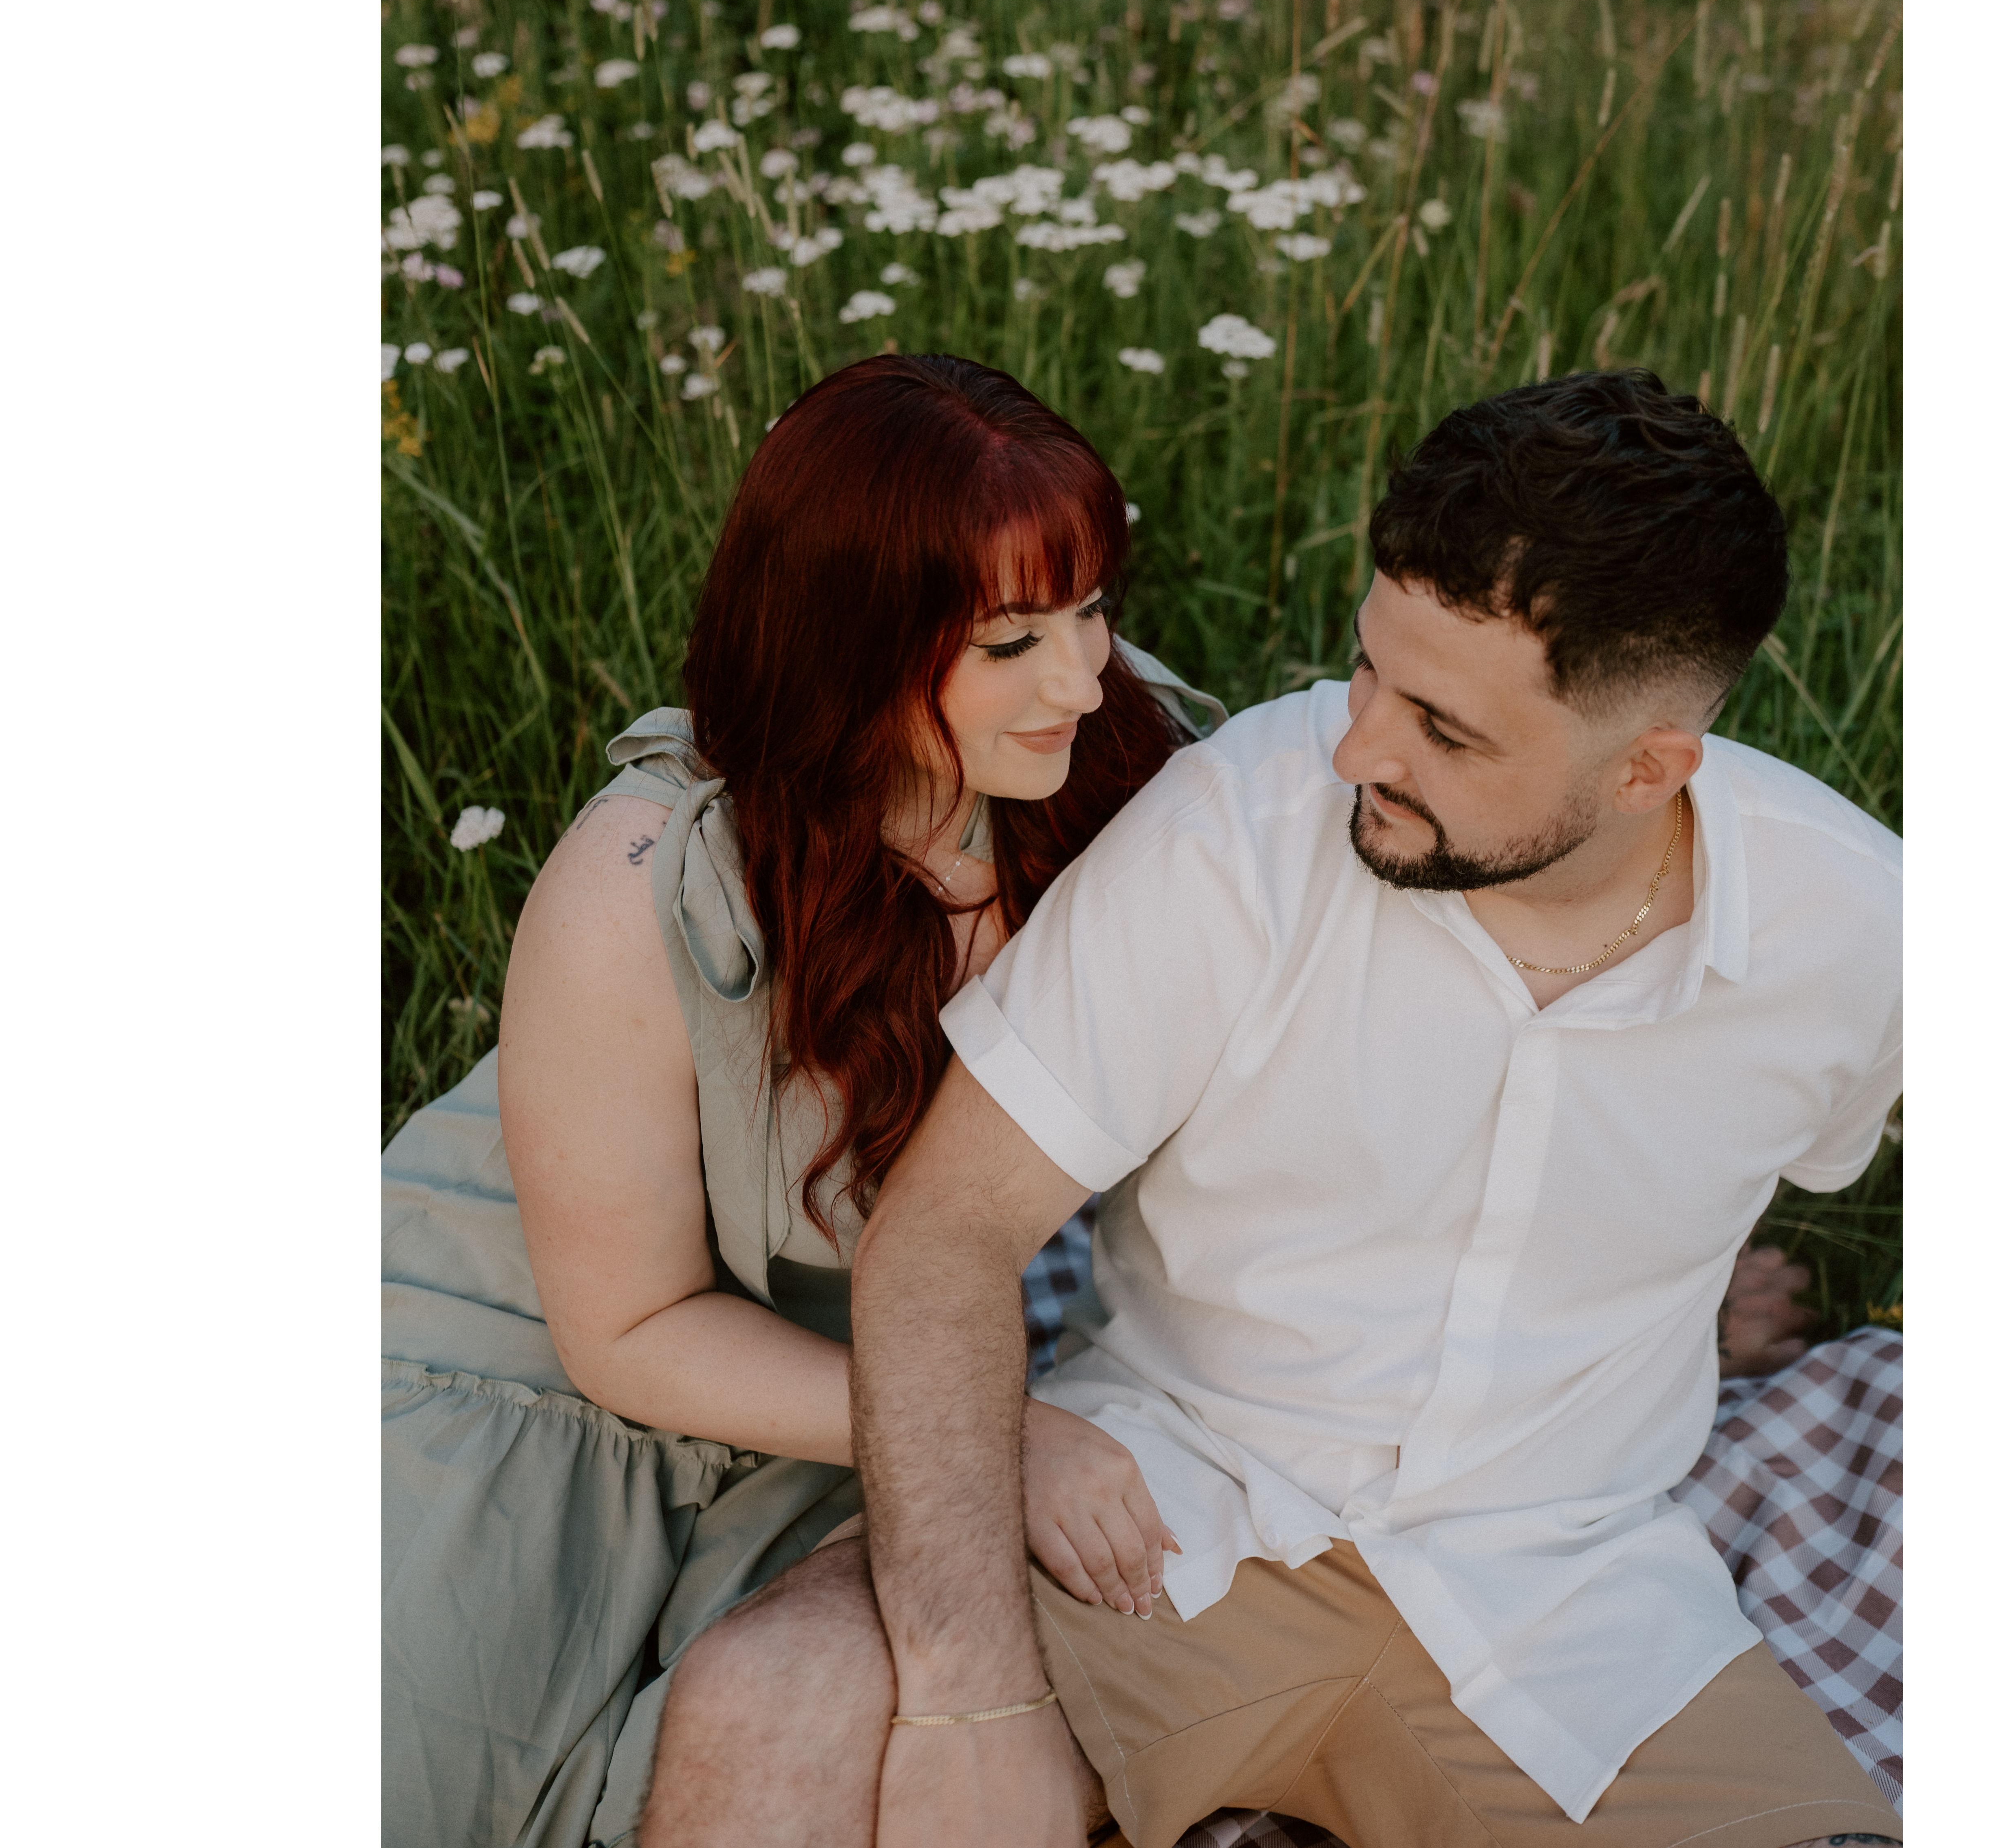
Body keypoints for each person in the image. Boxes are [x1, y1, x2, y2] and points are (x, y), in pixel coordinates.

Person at [643, 369, 1905, 1848]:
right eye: (1369, 669)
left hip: (1570, 1588)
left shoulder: (1853, 933)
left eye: (1444, 729)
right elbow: (947, 1233)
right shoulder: (1242, 822)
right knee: (767, 1703)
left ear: (1647, 769)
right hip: (1167, 1512)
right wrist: (972, 1704)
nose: (1359, 747)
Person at [380, 354, 1227, 1848]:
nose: (1083, 679)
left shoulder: (1124, 767)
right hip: (532, 1378)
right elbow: (628, 1327)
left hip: (860, 1382)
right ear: (851, 642)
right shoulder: (644, 880)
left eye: (1092, 610)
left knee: (797, 1759)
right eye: (1011, 640)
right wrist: (998, 1434)